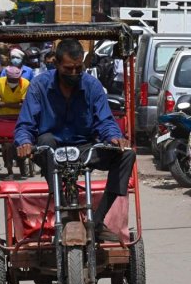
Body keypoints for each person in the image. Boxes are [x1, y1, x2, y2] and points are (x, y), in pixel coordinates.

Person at [14, 38, 136, 242]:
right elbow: (26, 124)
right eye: (68, 68)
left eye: (78, 68)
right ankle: (60, 205)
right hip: (51, 150)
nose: (73, 73)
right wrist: (25, 142)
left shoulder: (92, 86)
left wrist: (115, 137)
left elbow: (105, 120)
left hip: (85, 149)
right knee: (44, 141)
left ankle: (97, 220)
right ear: (56, 64)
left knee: (127, 155)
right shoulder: (39, 85)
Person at [0, 66, 30, 180]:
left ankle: (22, 162)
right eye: (12, 80)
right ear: (7, 78)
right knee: (6, 145)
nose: (14, 82)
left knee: (20, 142)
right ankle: (9, 170)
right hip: (4, 118)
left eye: (16, 80)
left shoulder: (25, 83)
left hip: (20, 117)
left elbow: (23, 104)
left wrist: (5, 104)